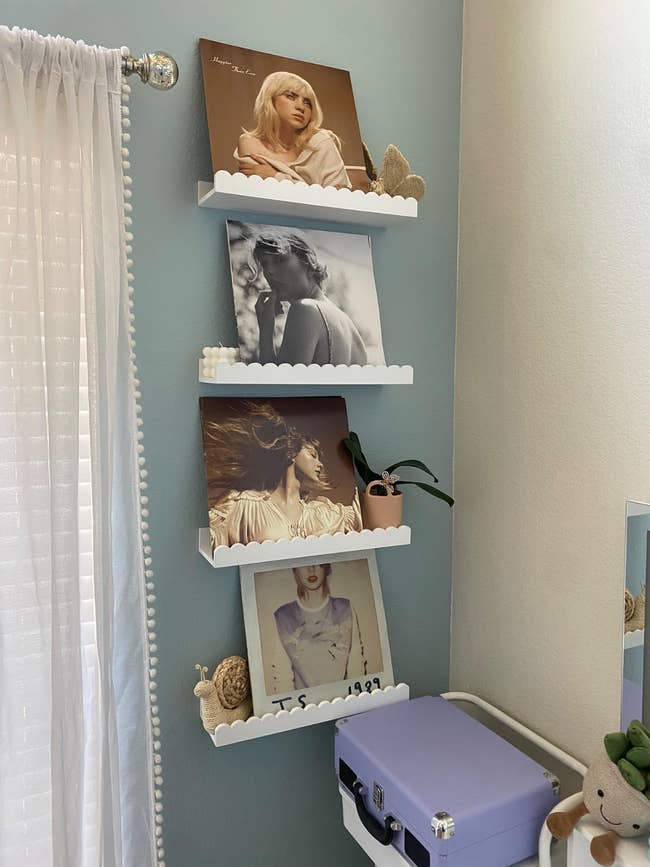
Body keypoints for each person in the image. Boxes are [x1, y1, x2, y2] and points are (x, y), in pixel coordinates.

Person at [205, 402, 362, 548]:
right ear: (292, 452)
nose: (320, 464)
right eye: (313, 455)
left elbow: (362, 513)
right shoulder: (242, 506)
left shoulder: (323, 513)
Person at [252, 229, 368, 365]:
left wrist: (266, 333)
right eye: (264, 264)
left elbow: (278, 385)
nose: (269, 271)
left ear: (308, 262)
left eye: (279, 259)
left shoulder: (305, 309)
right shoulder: (350, 327)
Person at [234, 70, 351, 189]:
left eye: (307, 103)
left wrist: (276, 176)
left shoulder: (320, 142)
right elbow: (261, 193)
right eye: (290, 96)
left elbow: (340, 197)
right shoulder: (250, 142)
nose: (301, 107)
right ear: (270, 99)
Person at [271, 564, 367, 692]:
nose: (311, 568)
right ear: (295, 569)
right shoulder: (284, 617)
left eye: (317, 562)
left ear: (326, 567)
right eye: (303, 563)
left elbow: (356, 668)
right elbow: (283, 679)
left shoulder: (345, 609)